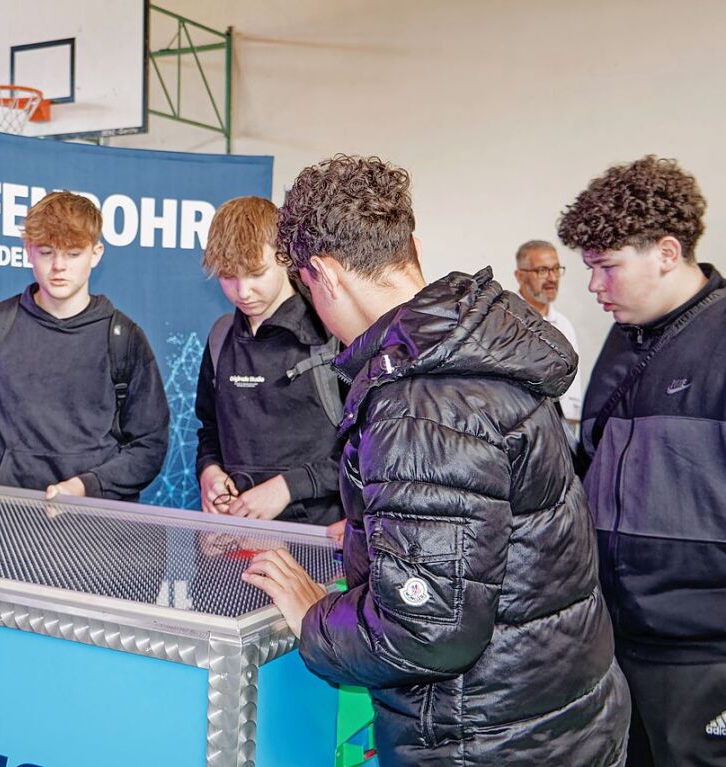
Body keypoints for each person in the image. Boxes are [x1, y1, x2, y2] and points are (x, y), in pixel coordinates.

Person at [242, 155, 629, 766]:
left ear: (324, 275)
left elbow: (424, 632)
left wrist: (316, 617)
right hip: (563, 714)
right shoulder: (477, 345)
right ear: (411, 245)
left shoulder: (421, 400)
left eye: (307, 289)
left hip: (485, 738)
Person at [558, 155, 726, 767]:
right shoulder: (625, 340)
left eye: (607, 267)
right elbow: (589, 469)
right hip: (615, 641)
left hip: (703, 655)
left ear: (666, 251)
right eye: (590, 269)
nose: (595, 288)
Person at [0, 191, 169, 501]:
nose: (59, 265)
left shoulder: (124, 337)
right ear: (28, 251)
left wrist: (87, 486)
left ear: (96, 253)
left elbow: (149, 445)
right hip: (7, 521)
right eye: (46, 252)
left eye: (73, 253)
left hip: (97, 528)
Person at [195, 196, 344, 537]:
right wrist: (210, 471)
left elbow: (369, 450)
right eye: (228, 276)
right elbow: (209, 429)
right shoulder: (220, 337)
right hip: (233, 542)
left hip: (316, 544)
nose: (243, 291)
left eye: (256, 274)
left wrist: (288, 487)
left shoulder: (332, 335)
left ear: (284, 257)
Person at [513, 239, 583, 441]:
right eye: (542, 270)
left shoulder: (564, 324)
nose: (552, 278)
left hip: (565, 432)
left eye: (556, 269)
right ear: (520, 276)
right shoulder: (508, 322)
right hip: (526, 431)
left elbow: (574, 388)